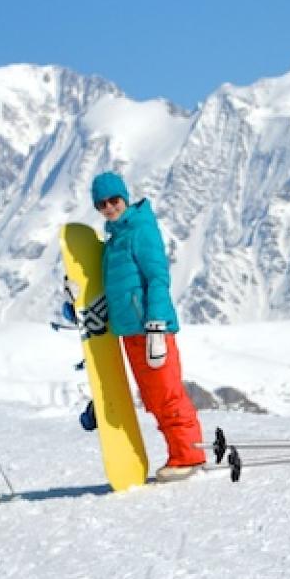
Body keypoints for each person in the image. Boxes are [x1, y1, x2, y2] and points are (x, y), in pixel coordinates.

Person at [92, 171, 206, 482]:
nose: (109, 207)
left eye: (114, 200)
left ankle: (190, 455)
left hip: (150, 328)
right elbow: (115, 287)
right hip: (129, 331)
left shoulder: (142, 230)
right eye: (102, 204)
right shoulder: (114, 241)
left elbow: (158, 277)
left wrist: (156, 324)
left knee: (168, 394)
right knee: (154, 398)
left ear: (124, 198)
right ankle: (180, 452)